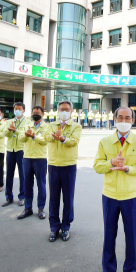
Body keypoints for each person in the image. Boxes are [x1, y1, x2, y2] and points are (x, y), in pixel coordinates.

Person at [94, 107, 136, 272]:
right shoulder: (105, 142)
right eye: (120, 117)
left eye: (127, 117)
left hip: (131, 196)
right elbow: (97, 166)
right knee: (109, 235)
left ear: (132, 120)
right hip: (109, 195)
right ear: (114, 119)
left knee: (131, 236)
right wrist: (111, 163)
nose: (123, 120)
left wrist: (128, 169)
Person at [44, 100, 83, 242]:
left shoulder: (76, 126)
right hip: (53, 165)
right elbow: (46, 137)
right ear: (57, 110)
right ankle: (54, 227)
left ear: (71, 111)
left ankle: (66, 226)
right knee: (53, 198)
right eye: (61, 109)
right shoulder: (51, 125)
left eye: (67, 109)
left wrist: (63, 138)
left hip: (68, 166)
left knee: (68, 198)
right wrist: (55, 135)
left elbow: (74, 141)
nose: (64, 111)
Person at [17, 106, 49, 220]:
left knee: (41, 184)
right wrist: (26, 135)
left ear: (42, 114)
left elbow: (45, 141)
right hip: (27, 158)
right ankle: (28, 208)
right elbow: (20, 138)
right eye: (34, 113)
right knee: (27, 184)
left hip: (40, 158)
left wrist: (34, 136)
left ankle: (41, 208)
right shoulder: (27, 125)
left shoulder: (46, 127)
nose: (35, 114)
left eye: (38, 113)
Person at [0, 102, 29, 206]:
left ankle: (22, 196)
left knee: (23, 175)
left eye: (19, 109)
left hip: (21, 150)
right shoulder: (10, 121)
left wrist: (15, 130)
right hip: (10, 150)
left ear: (23, 110)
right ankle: (8, 197)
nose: (17, 110)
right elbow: (4, 133)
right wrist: (9, 130)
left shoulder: (27, 122)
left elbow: (24, 134)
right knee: (9, 174)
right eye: (15, 108)